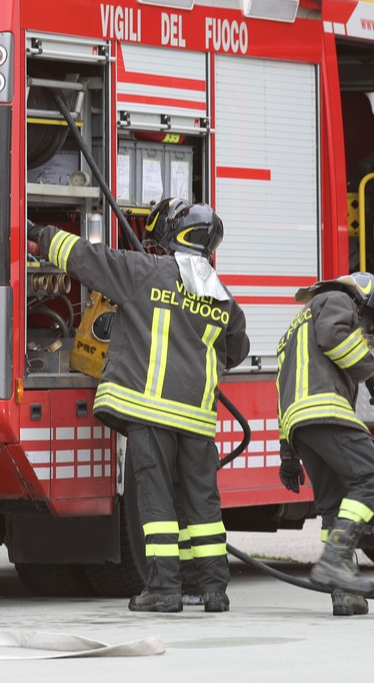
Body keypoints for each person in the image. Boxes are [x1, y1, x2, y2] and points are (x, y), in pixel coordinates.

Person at [27, 198, 250, 613]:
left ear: (172, 235)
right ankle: (214, 590)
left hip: (151, 413)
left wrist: (39, 235)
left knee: (157, 501)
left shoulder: (147, 273)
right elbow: (236, 349)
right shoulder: (222, 298)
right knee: (203, 504)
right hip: (199, 422)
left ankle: (164, 589)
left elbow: (87, 259)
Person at [274, 271, 374, 616]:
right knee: (371, 480)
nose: (364, 336)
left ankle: (344, 592)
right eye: (367, 324)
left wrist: (288, 455)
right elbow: (334, 335)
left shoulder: (294, 328)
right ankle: (336, 560)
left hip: (300, 426)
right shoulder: (337, 300)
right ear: (364, 299)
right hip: (324, 411)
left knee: (334, 506)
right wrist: (369, 372)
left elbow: (282, 389)